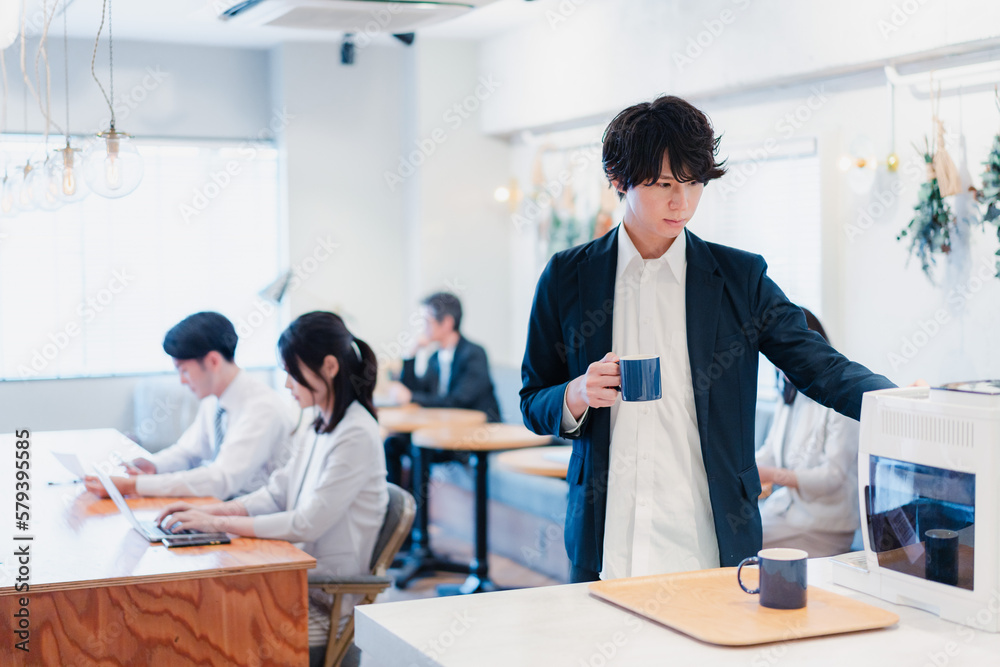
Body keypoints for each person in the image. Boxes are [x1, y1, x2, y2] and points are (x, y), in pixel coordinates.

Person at [519, 95, 897, 583]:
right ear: (618, 179)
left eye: (695, 183)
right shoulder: (568, 277)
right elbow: (533, 399)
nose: (683, 202)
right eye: (664, 185)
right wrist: (574, 394)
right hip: (606, 531)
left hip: (708, 534)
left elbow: (819, 366)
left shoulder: (740, 278)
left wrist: (901, 404)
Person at [156, 311, 389, 667]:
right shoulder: (318, 421)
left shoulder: (356, 433)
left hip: (326, 593)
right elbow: (276, 493)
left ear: (328, 367)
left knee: (215, 627)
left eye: (292, 373)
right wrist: (210, 513)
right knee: (200, 617)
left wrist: (218, 525)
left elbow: (305, 524)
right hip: (297, 575)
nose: (286, 385)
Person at [84, 312, 293, 500]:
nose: (182, 381)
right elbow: (188, 452)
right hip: (223, 510)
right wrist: (154, 465)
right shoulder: (214, 399)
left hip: (255, 520)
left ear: (213, 361)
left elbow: (221, 480)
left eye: (183, 370)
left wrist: (135, 486)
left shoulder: (262, 408)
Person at [756, 308, 861, 557]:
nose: (781, 365)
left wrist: (773, 475)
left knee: (740, 542)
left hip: (824, 525)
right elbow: (770, 452)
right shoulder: (790, 392)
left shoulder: (841, 400)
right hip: (788, 512)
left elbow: (831, 477)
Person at [383, 292, 502, 486]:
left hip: (474, 433)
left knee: (420, 448)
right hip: (444, 430)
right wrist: (410, 355)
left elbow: (457, 401)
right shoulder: (435, 358)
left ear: (446, 322)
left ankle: (416, 514)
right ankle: (398, 510)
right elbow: (418, 391)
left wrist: (411, 396)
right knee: (393, 445)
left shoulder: (474, 354)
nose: (423, 328)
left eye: (427, 322)